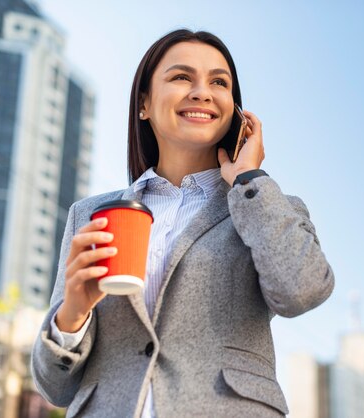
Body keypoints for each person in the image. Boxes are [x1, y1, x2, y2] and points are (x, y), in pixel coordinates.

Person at [31, 29, 334, 418]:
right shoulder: (89, 214)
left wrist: (249, 179)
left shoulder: (265, 205)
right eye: (181, 77)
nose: (202, 92)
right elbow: (55, 388)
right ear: (144, 103)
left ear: (236, 111)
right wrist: (71, 315)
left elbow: (303, 290)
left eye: (219, 82)